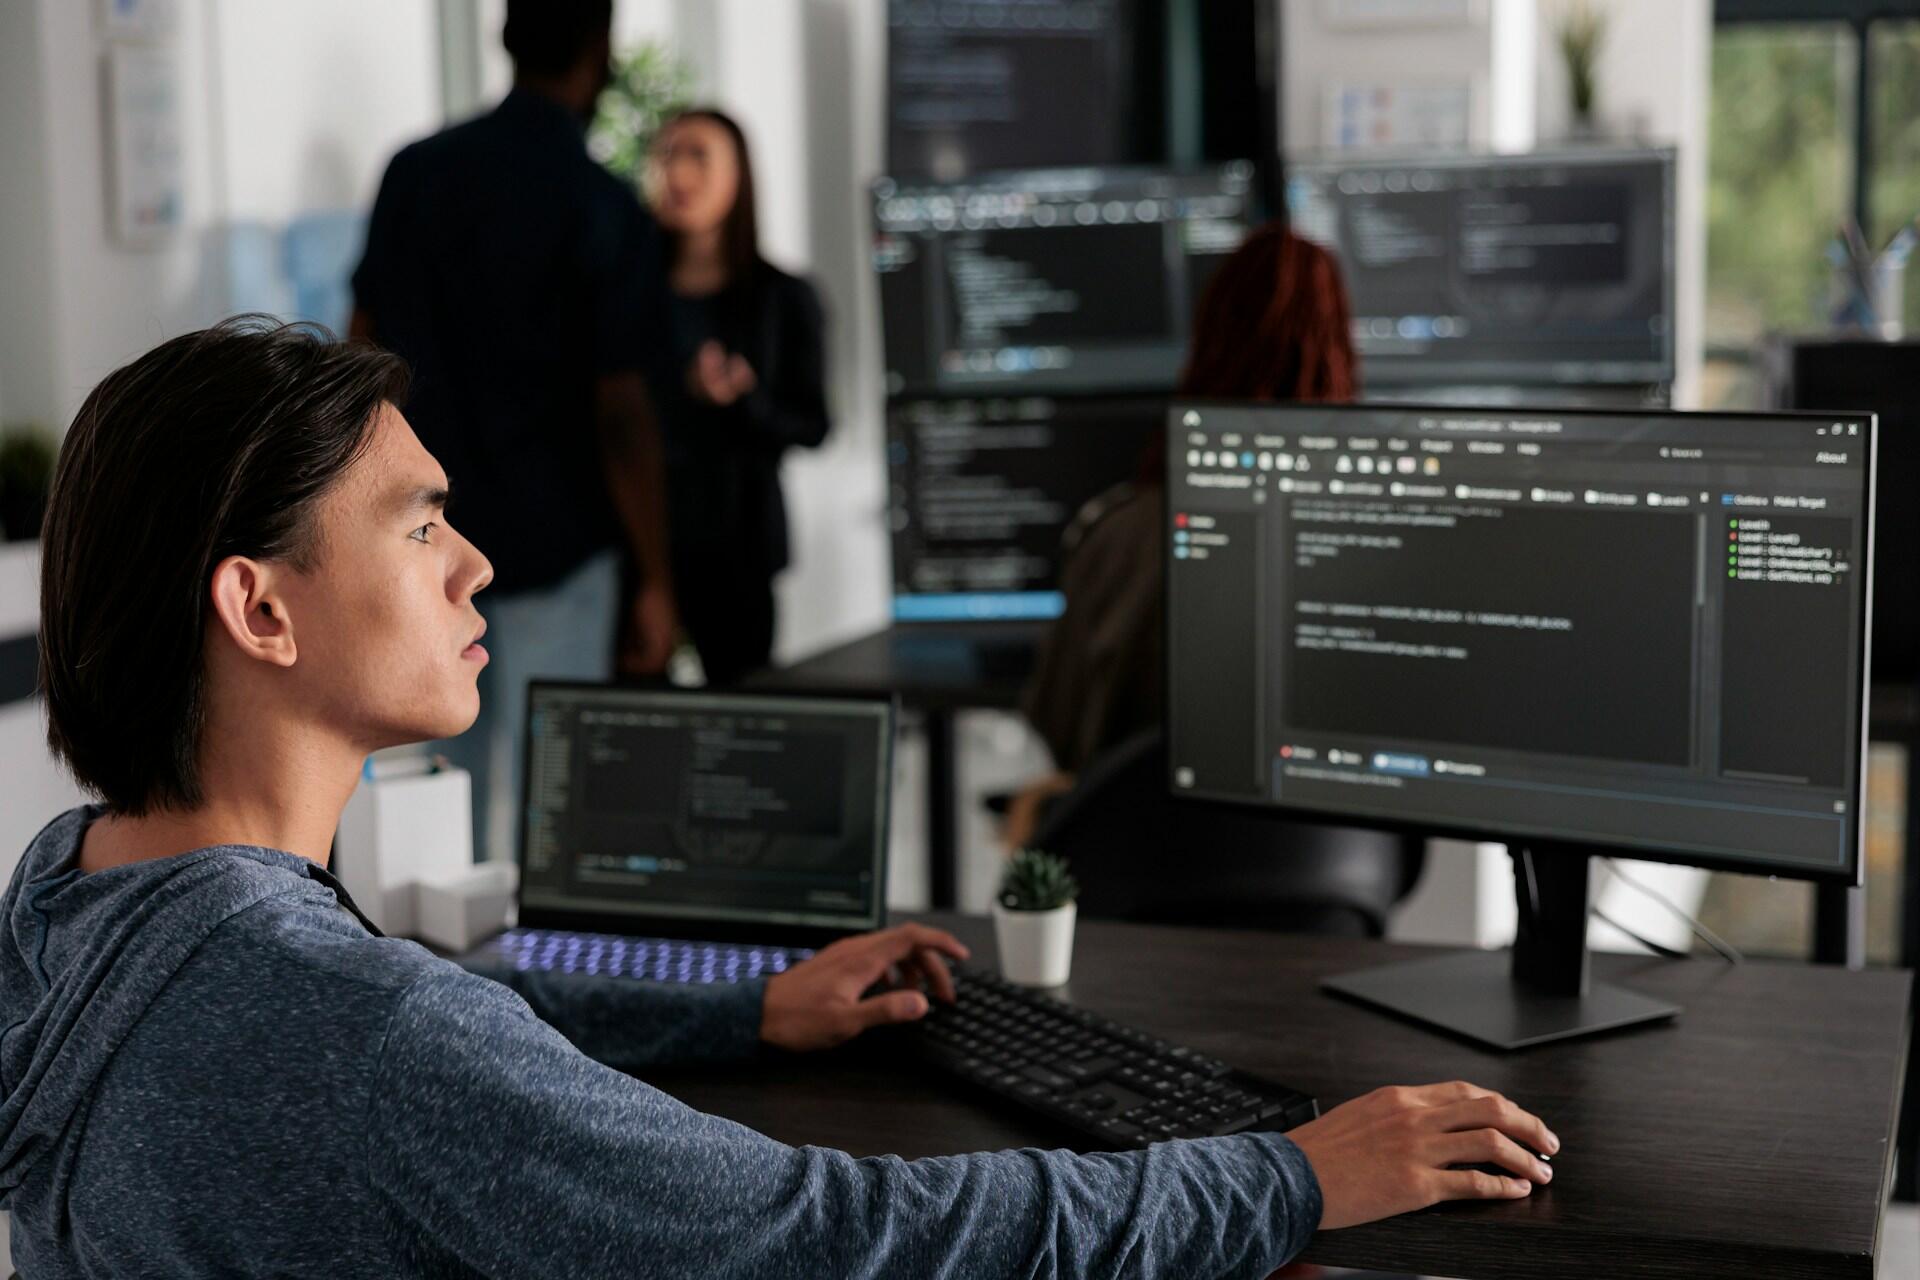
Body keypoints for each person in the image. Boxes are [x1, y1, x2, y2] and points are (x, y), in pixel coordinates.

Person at [0, 317, 1555, 1277]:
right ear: (260, 613)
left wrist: (737, 1012)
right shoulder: (365, 1039)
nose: (476, 565)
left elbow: (411, 1015)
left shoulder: (70, 898)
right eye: (417, 529)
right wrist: (1284, 1178)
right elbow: (831, 1241)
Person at [350, 0, 675, 860]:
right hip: (559, 542)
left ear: (503, 40)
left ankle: (424, 988)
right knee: (553, 808)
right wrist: (656, 578)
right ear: (599, 49)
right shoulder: (603, 205)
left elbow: (359, 357)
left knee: (425, 808)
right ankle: (535, 994)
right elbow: (622, 417)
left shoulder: (415, 173)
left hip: (418, 535)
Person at [1006, 223, 1358, 849]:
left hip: (1129, 886)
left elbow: (1060, 728)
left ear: (1206, 345)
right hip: (1332, 890)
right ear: (1341, 352)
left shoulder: (1115, 533)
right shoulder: (1379, 540)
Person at [642, 108, 830, 685]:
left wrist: (743, 399)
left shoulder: (783, 296)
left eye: (698, 154)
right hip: (642, 543)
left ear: (738, 174)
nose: (679, 172)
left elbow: (814, 425)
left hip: (738, 544)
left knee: (742, 709)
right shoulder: (628, 293)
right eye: (667, 154)